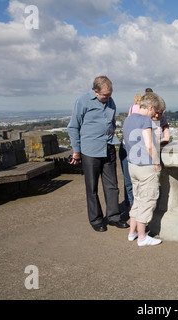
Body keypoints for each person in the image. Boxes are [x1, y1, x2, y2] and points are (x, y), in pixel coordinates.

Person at [67, 76, 129, 232]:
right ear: (95, 91)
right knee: (92, 187)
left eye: (110, 95)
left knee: (112, 186)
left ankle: (114, 216)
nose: (108, 98)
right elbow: (73, 127)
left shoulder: (110, 101)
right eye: (105, 95)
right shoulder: (82, 101)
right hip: (90, 150)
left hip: (108, 147)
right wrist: (76, 151)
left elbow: (112, 122)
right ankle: (96, 220)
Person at [123, 92, 164, 246]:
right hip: (146, 166)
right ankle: (142, 237)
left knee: (137, 199)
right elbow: (149, 144)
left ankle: (132, 233)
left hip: (132, 165)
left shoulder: (128, 119)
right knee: (147, 200)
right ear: (151, 107)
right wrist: (156, 163)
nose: (156, 115)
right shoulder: (145, 120)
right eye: (156, 111)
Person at [119, 93, 143, 210]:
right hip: (136, 148)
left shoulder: (132, 108)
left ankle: (130, 205)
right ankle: (136, 206)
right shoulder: (143, 112)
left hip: (126, 145)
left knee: (128, 179)